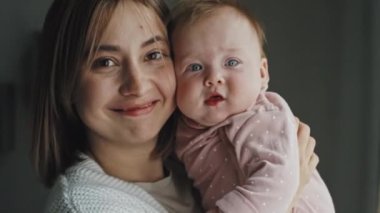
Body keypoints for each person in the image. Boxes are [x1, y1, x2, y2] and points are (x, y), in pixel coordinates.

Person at [32, 0, 319, 212]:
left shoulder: (195, 164)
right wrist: (286, 197)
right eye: (105, 62)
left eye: (154, 54)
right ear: (66, 83)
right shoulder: (86, 206)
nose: (137, 84)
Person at [169, 0, 335, 212]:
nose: (213, 78)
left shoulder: (260, 116)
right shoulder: (183, 129)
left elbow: (279, 179)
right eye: (195, 66)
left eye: (231, 62)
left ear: (261, 73)